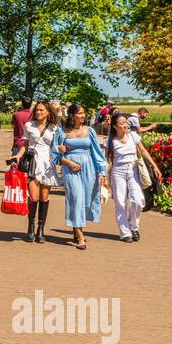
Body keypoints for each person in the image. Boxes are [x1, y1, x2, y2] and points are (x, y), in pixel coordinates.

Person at [50, 104, 107, 250]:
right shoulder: (62, 132)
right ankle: (80, 236)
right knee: (76, 198)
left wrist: (102, 172)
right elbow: (54, 154)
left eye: (84, 113)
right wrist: (66, 159)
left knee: (87, 199)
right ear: (72, 115)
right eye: (80, 113)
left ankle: (76, 229)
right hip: (70, 169)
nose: (83, 116)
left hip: (89, 168)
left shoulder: (90, 131)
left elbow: (97, 153)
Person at [106, 113, 161, 243]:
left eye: (126, 122)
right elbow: (108, 161)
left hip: (133, 170)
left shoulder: (133, 136)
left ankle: (133, 226)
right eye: (122, 123)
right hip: (118, 172)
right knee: (120, 202)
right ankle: (125, 232)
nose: (125, 124)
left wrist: (155, 166)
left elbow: (143, 151)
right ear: (115, 126)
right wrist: (104, 178)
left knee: (137, 200)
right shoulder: (111, 141)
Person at [10, 102, 60, 244]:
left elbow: (56, 146)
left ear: (48, 112)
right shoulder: (29, 125)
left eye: (41, 110)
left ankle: (40, 229)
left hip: (47, 163)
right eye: (36, 110)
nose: (38, 112)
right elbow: (24, 145)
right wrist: (18, 156)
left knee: (44, 197)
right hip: (33, 161)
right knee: (33, 197)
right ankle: (30, 227)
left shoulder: (54, 128)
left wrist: (62, 150)